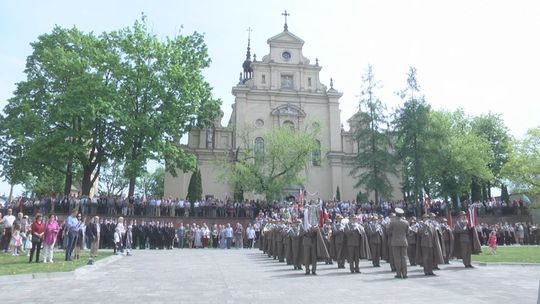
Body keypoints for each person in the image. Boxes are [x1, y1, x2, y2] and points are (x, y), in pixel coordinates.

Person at [388, 208, 409, 279]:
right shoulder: (406, 222)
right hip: (404, 241)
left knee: (397, 258)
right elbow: (407, 232)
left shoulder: (392, 222)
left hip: (395, 242)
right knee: (404, 258)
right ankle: (405, 274)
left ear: (396, 214)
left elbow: (388, 232)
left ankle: (399, 274)